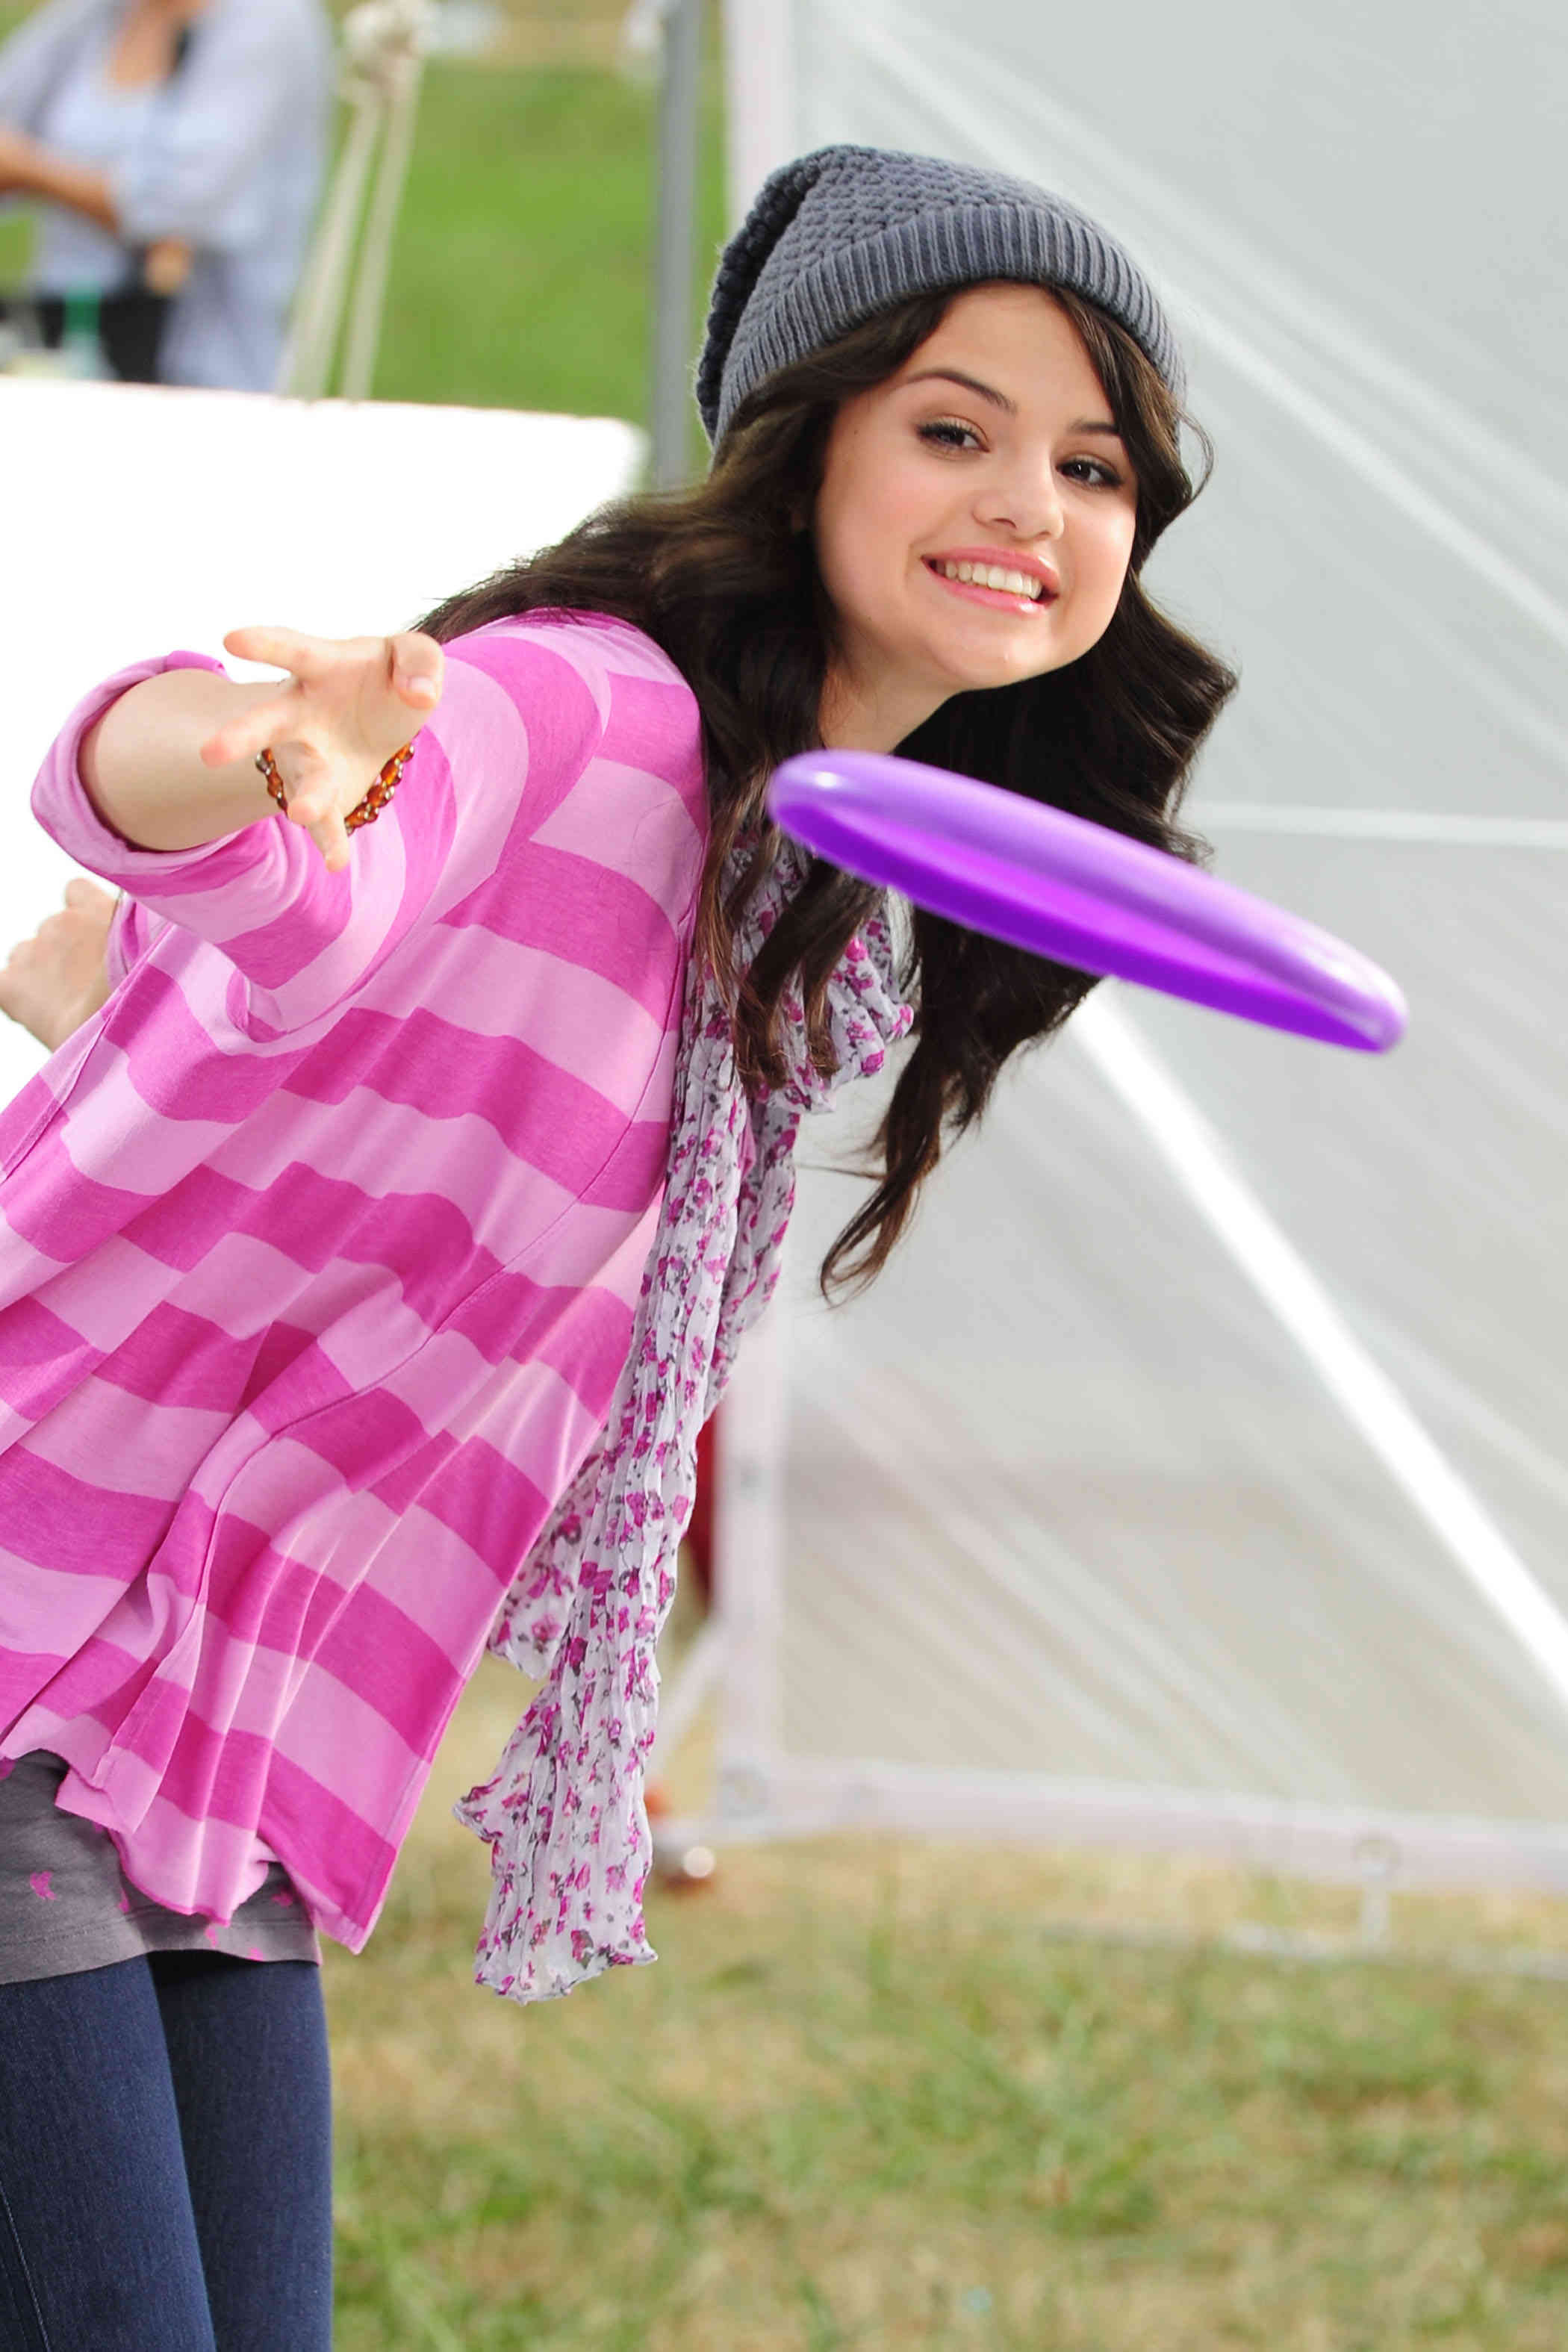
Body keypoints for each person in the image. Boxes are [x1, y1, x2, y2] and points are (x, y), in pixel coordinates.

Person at [0, 145, 1236, 2348]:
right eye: (954, 429)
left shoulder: (796, 911)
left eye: (1092, 465)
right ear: (807, 442)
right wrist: (253, 757)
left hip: (203, 1739)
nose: (1030, 506)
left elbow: (318, 1027)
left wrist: (119, 996)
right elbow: (196, 790)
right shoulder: (594, 710)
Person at [0, 0, 333, 388]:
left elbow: (184, 202)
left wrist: (32, 171)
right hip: (67, 344)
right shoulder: (93, 13)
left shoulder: (269, 20)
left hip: (205, 367)